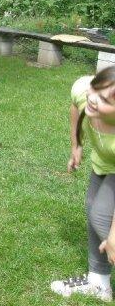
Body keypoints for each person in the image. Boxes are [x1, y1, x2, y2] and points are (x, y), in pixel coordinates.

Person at [51, 66, 115, 301]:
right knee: (92, 208)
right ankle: (99, 283)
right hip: (104, 163)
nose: (93, 99)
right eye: (95, 90)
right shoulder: (83, 89)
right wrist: (76, 145)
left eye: (106, 100)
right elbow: (76, 107)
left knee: (101, 217)